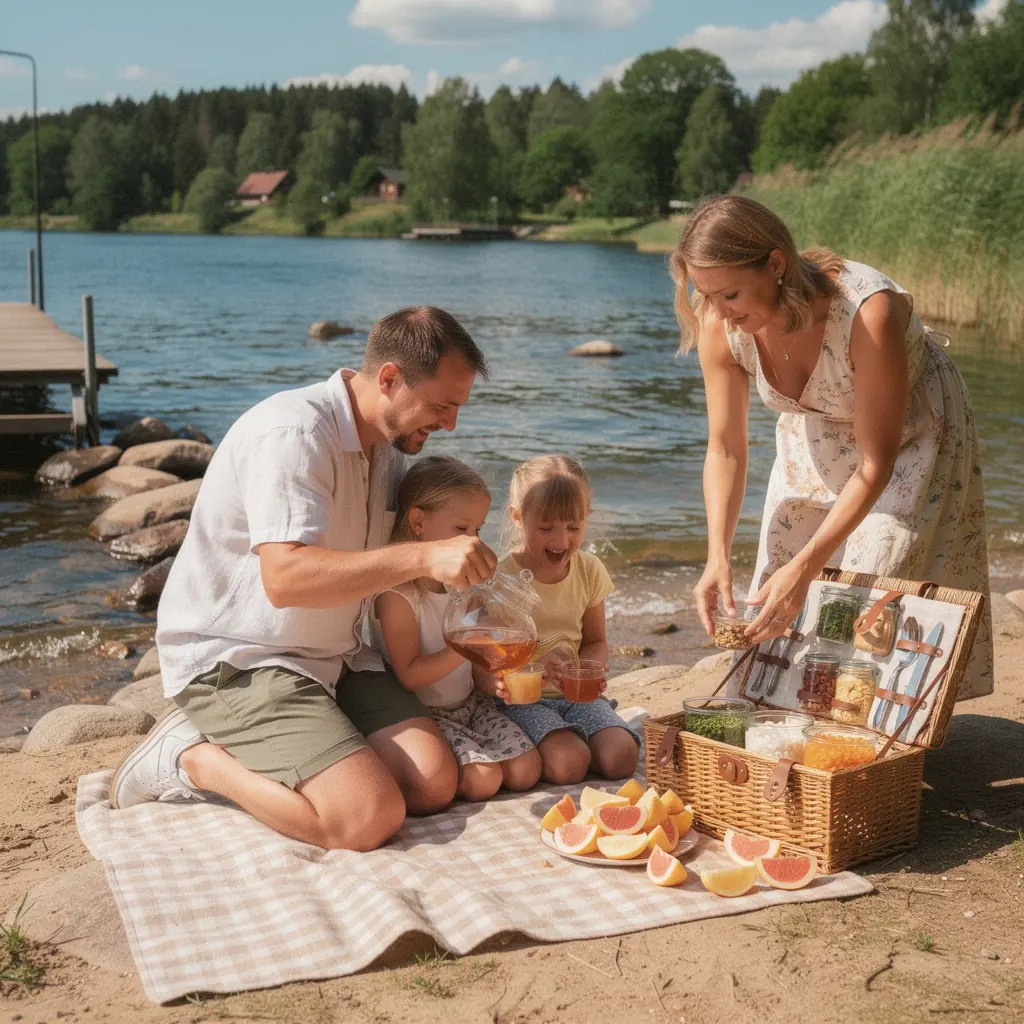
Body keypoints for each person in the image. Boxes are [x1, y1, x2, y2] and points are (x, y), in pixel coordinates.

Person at [107, 306, 499, 851]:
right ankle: (190, 758)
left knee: (433, 784)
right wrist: (423, 557)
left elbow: (416, 551)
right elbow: (286, 579)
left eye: (457, 408)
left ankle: (314, 747)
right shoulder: (292, 433)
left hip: (339, 652)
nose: (450, 423)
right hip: (241, 659)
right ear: (388, 378)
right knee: (366, 819)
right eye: (441, 405)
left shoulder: (387, 451)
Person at [673, 195, 992, 699]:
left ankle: (875, 730)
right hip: (816, 434)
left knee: (872, 574)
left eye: (729, 294)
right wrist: (717, 557)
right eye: (706, 295)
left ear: (776, 264)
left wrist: (809, 568)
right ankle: (791, 716)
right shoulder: (721, 323)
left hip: (909, 433)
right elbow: (726, 448)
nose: (718, 313)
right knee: (775, 579)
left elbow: (875, 464)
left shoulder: (868, 311)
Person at [369, 455, 542, 802]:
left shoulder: (462, 585)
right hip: (427, 714)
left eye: (477, 530)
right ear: (418, 522)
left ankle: (476, 758)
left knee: (527, 771)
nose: (472, 541)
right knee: (483, 781)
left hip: (471, 704)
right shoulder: (399, 597)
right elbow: (409, 676)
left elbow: (472, 666)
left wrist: (492, 680)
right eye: (462, 529)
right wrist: (464, 648)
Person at [487, 455, 640, 784]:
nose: (561, 541)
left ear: (588, 519)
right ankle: (563, 746)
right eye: (545, 528)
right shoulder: (503, 578)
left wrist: (586, 669)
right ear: (517, 517)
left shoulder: (589, 570)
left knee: (623, 758)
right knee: (569, 764)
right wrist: (524, 675)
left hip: (577, 697)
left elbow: (596, 641)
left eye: (574, 527)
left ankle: (579, 741)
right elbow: (490, 658)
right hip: (524, 702)